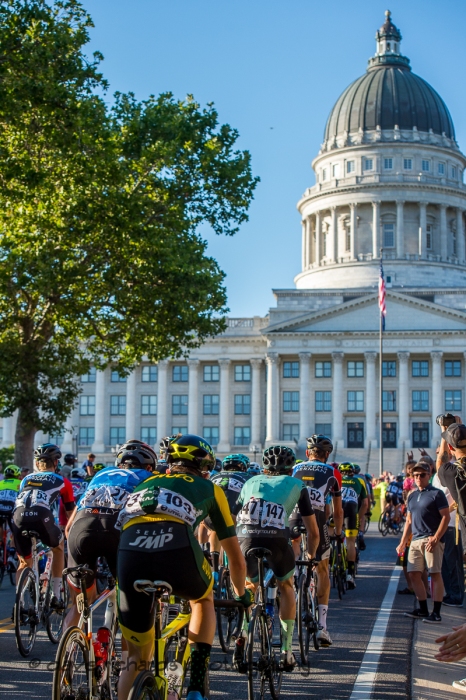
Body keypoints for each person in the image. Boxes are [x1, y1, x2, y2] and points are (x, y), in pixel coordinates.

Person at [115, 434, 251, 700]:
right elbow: (235, 557)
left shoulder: (145, 481)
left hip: (130, 553)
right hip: (175, 549)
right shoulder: (210, 488)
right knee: (203, 599)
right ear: (204, 467)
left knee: (136, 658)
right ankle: (196, 687)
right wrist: (240, 595)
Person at [236, 445, 319, 671]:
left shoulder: (250, 482)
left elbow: (237, 515)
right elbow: (313, 531)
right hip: (277, 537)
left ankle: (243, 632)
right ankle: (286, 650)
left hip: (245, 537)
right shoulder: (297, 484)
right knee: (286, 585)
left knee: (250, 587)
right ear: (291, 469)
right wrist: (311, 555)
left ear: (264, 467)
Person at [64, 441, 156, 630]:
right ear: (148, 466)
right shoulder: (148, 477)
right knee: (130, 606)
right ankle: (126, 658)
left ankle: (69, 652)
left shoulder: (100, 475)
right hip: (116, 530)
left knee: (79, 605)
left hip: (80, 528)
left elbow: (68, 527)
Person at [290, 434, 343, 646]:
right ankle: (322, 626)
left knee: (295, 544)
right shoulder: (333, 472)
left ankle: (295, 576)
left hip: (294, 515)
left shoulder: (295, 468)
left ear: (306, 453)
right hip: (318, 518)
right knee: (322, 568)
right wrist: (338, 533)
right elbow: (337, 511)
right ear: (327, 454)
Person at [11, 443, 75, 605]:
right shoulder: (63, 481)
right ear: (55, 463)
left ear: (38, 464)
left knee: (24, 562)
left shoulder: (26, 478)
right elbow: (70, 513)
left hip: (18, 517)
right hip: (41, 516)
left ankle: (20, 604)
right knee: (58, 547)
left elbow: (22, 502)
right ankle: (56, 595)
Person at [397, 460, 450, 622]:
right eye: (415, 475)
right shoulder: (412, 495)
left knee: (434, 574)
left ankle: (437, 612)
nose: (418, 478)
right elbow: (409, 521)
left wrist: (436, 537)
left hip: (431, 539)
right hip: (416, 539)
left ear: (429, 475)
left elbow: (446, 517)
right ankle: (423, 609)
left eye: (422, 475)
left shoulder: (436, 494)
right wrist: (402, 541)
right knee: (413, 574)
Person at [206, 454, 252, 571]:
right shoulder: (248, 476)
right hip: (234, 514)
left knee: (214, 529)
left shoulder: (215, 475)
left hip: (210, 515)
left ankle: (215, 569)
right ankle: (237, 563)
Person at [432, 469, 463, 607]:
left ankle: (457, 595)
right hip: (441, 526)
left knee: (453, 561)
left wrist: (443, 512)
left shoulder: (453, 472)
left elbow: (457, 501)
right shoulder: (435, 477)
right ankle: (450, 593)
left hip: (452, 525)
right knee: (444, 562)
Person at [338, 462, 368, 589]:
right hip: (352, 509)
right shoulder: (360, 481)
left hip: (338, 509)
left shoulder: (336, 479)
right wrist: (359, 517)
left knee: (331, 534)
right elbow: (365, 504)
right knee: (351, 542)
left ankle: (329, 564)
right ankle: (350, 573)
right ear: (353, 472)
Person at [0, 465, 21, 542]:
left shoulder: (0, 483)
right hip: (12, 508)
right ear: (18, 475)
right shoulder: (21, 483)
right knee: (16, 530)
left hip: (0, 506)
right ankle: (13, 547)